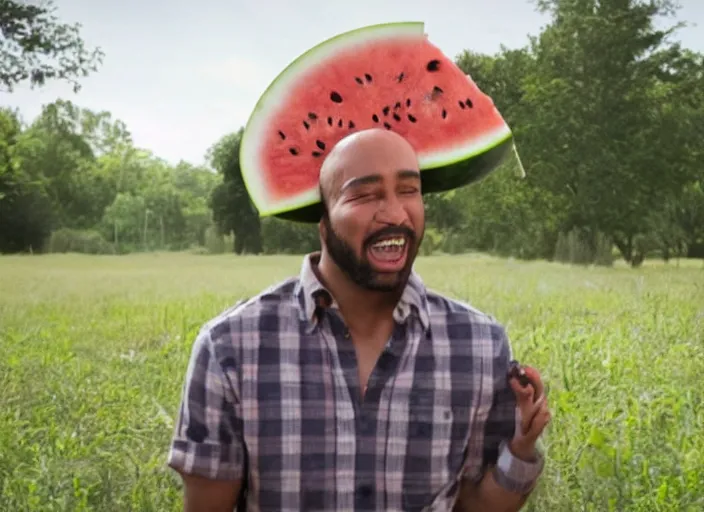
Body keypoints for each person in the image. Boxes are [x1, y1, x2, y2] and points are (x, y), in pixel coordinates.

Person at [167, 128, 551, 511]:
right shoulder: (230, 347)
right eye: (364, 194)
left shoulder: (481, 345)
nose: (395, 213)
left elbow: (475, 506)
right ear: (324, 222)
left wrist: (520, 447)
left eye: (409, 190)